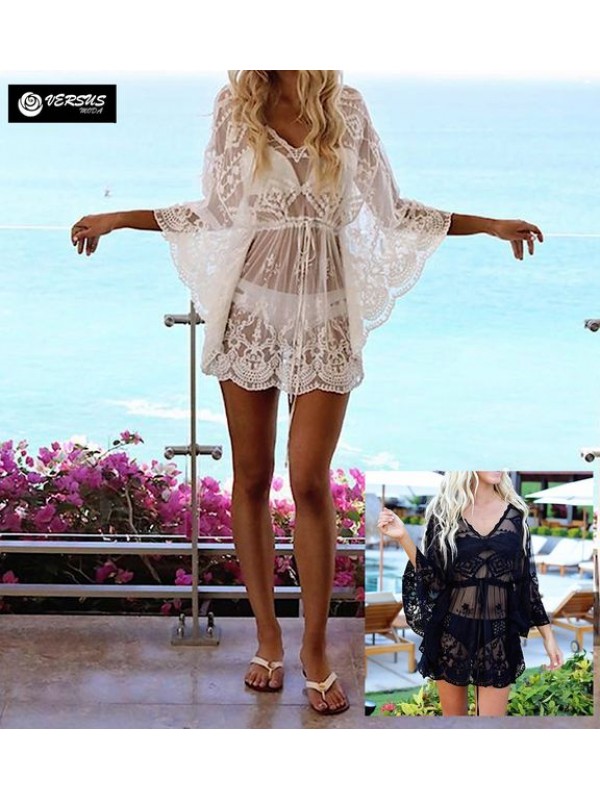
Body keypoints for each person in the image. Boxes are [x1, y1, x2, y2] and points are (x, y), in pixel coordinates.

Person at [70, 71, 544, 715]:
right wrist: (118, 219)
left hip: (327, 318)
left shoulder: (345, 107)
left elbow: (393, 212)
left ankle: (314, 649)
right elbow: (214, 213)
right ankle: (267, 639)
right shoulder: (237, 106)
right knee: (251, 476)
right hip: (249, 310)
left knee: (310, 480)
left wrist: (490, 225)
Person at [377, 471, 564, 716]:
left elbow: (525, 582)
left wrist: (548, 635)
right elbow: (433, 580)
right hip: (451, 633)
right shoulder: (444, 514)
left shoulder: (516, 514)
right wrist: (403, 538)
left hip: (499, 635)